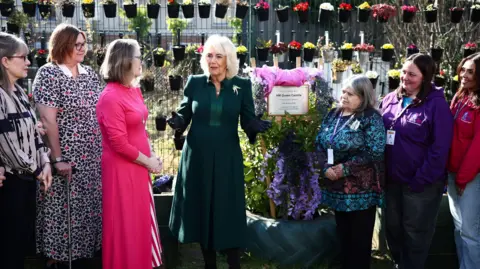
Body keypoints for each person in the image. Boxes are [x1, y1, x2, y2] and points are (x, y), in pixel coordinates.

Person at [168, 35, 271, 269]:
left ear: (228, 60)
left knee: (228, 207)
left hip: (227, 157)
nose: (212, 61)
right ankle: (209, 264)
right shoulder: (195, 82)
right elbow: (185, 112)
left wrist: (253, 125)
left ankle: (234, 263)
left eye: (218, 56)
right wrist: (178, 121)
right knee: (204, 207)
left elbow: (247, 118)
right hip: (198, 158)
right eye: (209, 55)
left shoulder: (241, 86)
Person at [33, 23, 102, 268]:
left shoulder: (90, 74)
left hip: (92, 158)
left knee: (87, 213)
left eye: (85, 44)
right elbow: (47, 119)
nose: (83, 49)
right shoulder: (49, 74)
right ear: (63, 45)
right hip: (65, 158)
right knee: (62, 211)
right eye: (78, 44)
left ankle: (82, 259)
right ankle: (57, 261)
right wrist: (58, 157)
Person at [381, 53, 453, 269]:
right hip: (392, 181)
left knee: (415, 233)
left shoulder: (436, 105)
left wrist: (420, 179)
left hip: (421, 184)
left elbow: (440, 148)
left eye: (412, 74)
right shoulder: (390, 99)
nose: (405, 77)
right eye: (403, 72)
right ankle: (399, 264)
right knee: (392, 228)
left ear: (425, 77)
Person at [96, 39, 163, 269]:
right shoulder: (110, 97)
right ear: (124, 60)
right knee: (125, 224)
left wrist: (153, 155)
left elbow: (141, 127)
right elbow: (119, 144)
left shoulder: (133, 90)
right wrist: (148, 162)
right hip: (121, 171)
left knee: (139, 222)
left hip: (138, 167)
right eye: (138, 56)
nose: (141, 61)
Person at [315, 75, 386, 269]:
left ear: (363, 98)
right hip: (336, 187)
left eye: (350, 94)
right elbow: (319, 142)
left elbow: (375, 151)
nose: (344, 96)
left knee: (359, 242)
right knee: (343, 237)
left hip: (361, 191)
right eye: (344, 91)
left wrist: (344, 168)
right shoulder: (333, 114)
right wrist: (325, 167)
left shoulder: (371, 118)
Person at [0, 32, 52, 269]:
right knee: (8, 250)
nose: (29, 62)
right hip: (9, 185)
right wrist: (38, 168)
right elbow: (6, 142)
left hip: (26, 182)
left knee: (19, 247)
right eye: (23, 57)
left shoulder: (19, 92)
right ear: (5, 61)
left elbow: (34, 131)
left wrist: (44, 158)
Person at [447, 52, 480, 269]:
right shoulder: (459, 97)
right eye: (463, 70)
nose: (464, 75)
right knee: (458, 228)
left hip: (470, 177)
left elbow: (478, 146)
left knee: (469, 231)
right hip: (453, 174)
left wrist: (463, 178)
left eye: (471, 72)